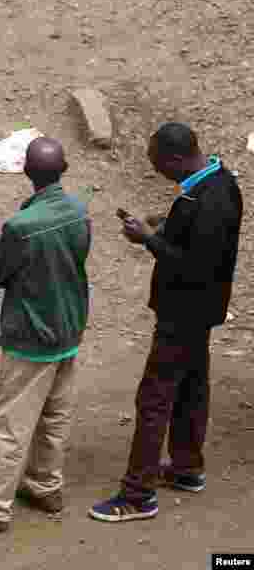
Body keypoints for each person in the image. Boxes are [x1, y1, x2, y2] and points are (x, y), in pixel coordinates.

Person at [90, 123, 243, 522]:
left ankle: (137, 494)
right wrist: (166, 221)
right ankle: (186, 467)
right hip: (201, 312)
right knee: (192, 387)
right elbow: (198, 234)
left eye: (158, 165)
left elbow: (195, 266)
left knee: (155, 397)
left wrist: (148, 239)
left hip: (184, 313)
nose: (157, 171)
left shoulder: (210, 200)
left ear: (176, 159)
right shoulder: (216, 182)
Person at [0, 137, 91, 533]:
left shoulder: (21, 226)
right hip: (68, 329)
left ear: (26, 170)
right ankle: (45, 485)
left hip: (31, 336)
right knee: (55, 415)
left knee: (9, 424)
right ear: (65, 168)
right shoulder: (79, 212)